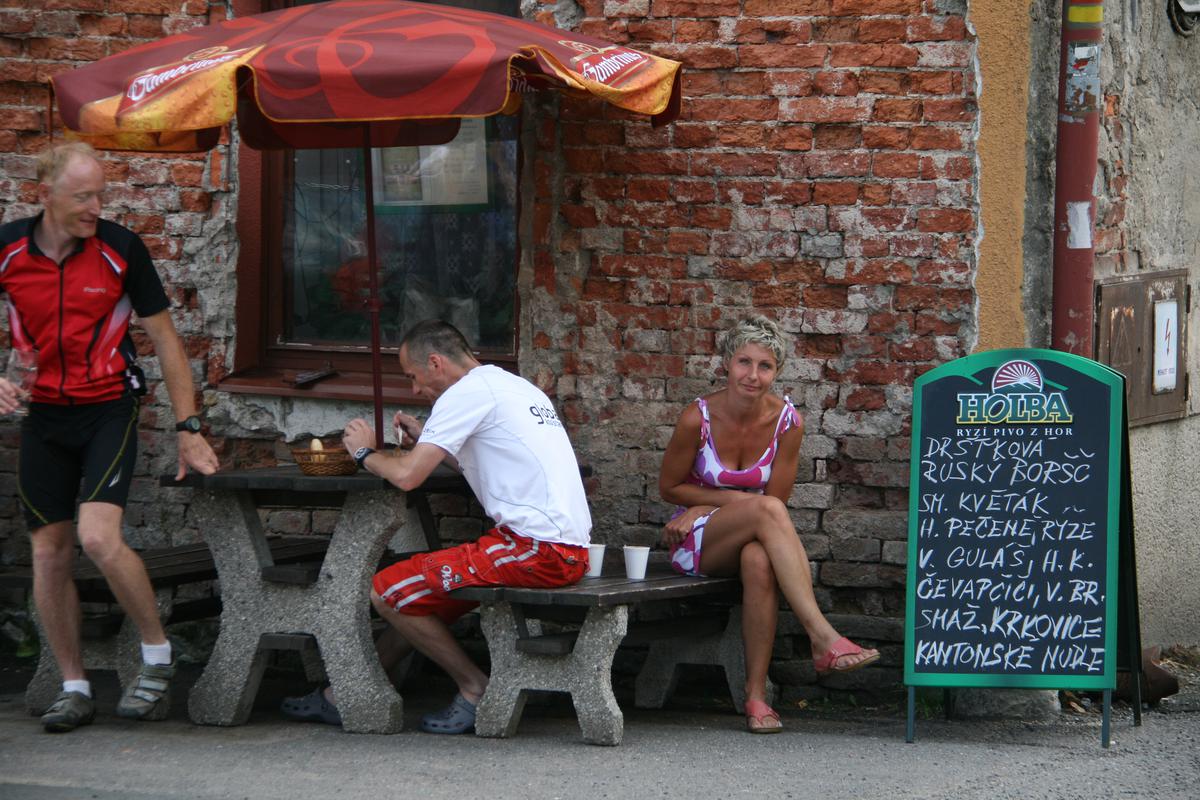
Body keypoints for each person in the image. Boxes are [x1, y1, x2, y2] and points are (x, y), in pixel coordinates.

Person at [0, 142, 220, 732]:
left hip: (108, 410)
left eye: (101, 194)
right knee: (48, 551)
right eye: (83, 197)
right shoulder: (8, 249)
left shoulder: (121, 248)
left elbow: (167, 339)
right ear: (44, 196)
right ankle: (74, 686)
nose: (97, 207)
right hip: (43, 416)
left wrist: (188, 427)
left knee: (97, 537)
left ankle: (158, 654)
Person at [284, 319, 591, 734]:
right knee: (414, 597)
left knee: (388, 591)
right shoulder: (513, 386)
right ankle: (350, 693)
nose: (414, 390)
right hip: (565, 549)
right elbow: (483, 461)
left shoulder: (465, 394)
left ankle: (475, 688)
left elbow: (408, 476)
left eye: (412, 377)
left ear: (435, 362)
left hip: (534, 550)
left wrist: (363, 453)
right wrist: (428, 441)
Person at [658, 314, 880, 734]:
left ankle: (756, 697)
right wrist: (703, 510)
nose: (753, 375)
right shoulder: (696, 418)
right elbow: (669, 487)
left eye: (765, 366)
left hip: (751, 531)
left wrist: (706, 503)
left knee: (760, 559)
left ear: (776, 372)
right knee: (769, 511)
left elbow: (775, 501)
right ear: (727, 363)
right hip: (695, 541)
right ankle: (822, 636)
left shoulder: (787, 423)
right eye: (744, 362)